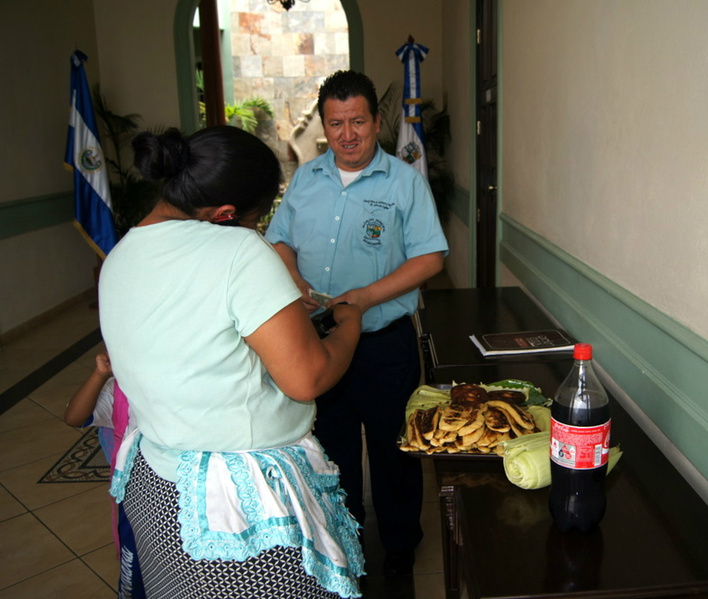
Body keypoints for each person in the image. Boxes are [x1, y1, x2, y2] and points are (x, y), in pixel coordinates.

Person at [98, 125, 365, 599]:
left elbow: (192, 344)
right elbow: (309, 376)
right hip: (237, 505)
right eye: (257, 219)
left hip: (158, 488)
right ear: (225, 214)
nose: (257, 230)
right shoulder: (239, 251)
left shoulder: (119, 256)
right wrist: (349, 325)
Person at [265, 70, 449, 578]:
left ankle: (399, 548)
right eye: (336, 123)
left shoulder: (404, 181)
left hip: (383, 343)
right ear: (325, 124)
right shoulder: (306, 178)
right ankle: (344, 545)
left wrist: (364, 299)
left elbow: (430, 257)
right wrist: (294, 279)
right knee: (331, 451)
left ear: (377, 121)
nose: (347, 135)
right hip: (319, 342)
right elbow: (279, 240)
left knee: (394, 452)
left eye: (358, 122)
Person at [65, 352, 144, 599]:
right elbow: (74, 417)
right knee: (138, 572)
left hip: (178, 491)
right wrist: (100, 374)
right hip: (135, 499)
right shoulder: (119, 391)